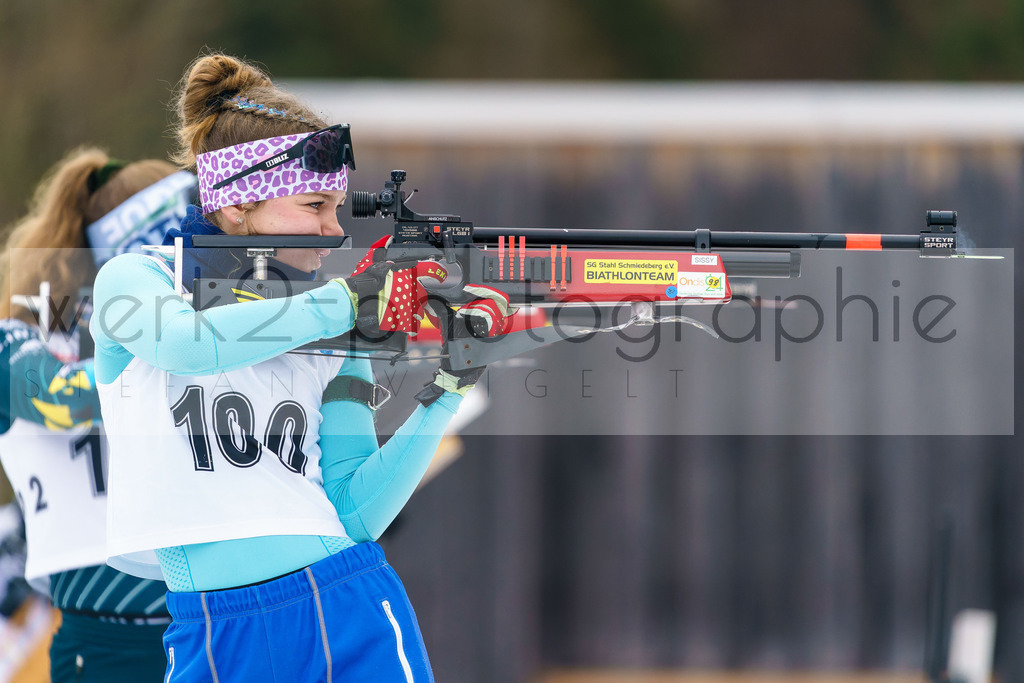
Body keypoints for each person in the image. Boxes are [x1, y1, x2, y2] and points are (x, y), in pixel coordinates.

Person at [90, 53, 513, 682]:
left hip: (343, 599)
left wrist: (449, 387)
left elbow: (354, 512)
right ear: (236, 205)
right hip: (208, 625)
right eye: (315, 205)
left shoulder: (330, 327)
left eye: (337, 209)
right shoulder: (138, 277)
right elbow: (185, 344)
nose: (333, 230)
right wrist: (344, 301)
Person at [0, 146, 197, 681]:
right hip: (105, 639)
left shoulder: (199, 339)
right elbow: (61, 398)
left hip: (210, 621)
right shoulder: (20, 339)